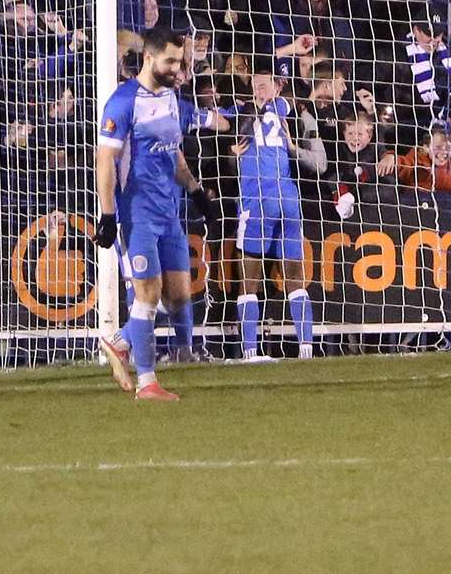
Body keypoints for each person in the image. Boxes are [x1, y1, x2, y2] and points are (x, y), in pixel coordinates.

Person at [94, 27, 221, 401]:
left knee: (180, 295)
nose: (176, 69)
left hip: (170, 212)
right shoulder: (123, 101)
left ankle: (119, 344)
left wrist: (196, 192)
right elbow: (105, 161)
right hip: (138, 215)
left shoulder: (169, 98)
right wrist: (106, 214)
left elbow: (174, 154)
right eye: (170, 61)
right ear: (149, 58)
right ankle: (148, 382)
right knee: (148, 295)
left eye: (179, 62)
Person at [221, 71, 325, 361]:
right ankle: (306, 348)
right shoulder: (283, 109)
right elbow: (291, 104)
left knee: (248, 280)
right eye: (256, 86)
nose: (258, 89)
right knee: (294, 278)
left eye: (262, 85)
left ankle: (250, 351)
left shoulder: (245, 113)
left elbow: (234, 136)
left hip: (258, 200)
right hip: (288, 199)